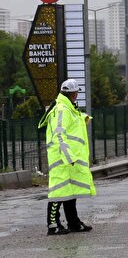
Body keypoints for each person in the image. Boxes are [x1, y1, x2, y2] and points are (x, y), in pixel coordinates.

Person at [39, 79, 96, 235]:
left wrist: (83, 118)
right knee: (58, 192)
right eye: (76, 93)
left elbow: (70, 123)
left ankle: (73, 222)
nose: (77, 95)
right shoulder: (62, 109)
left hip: (67, 158)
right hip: (62, 158)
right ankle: (53, 225)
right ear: (73, 94)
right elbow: (59, 133)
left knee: (70, 191)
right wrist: (68, 156)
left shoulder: (68, 108)